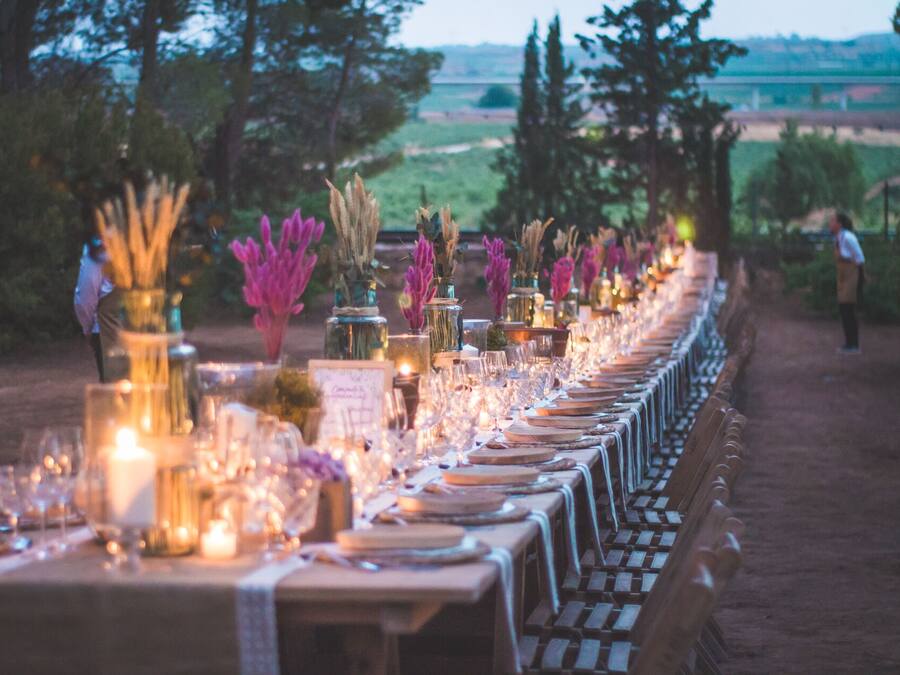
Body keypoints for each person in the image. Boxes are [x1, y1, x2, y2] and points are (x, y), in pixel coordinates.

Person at [73, 236, 121, 380]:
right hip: (149, 335)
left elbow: (85, 298)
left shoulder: (98, 244)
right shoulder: (147, 239)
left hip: (109, 334)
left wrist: (87, 328)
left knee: (114, 395)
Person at [829, 211, 865, 354]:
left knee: (848, 309)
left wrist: (859, 281)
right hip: (842, 276)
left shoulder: (848, 237)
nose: (829, 224)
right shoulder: (838, 238)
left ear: (839, 224)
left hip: (851, 275)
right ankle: (849, 343)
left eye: (832, 221)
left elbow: (860, 258)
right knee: (844, 310)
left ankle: (854, 345)